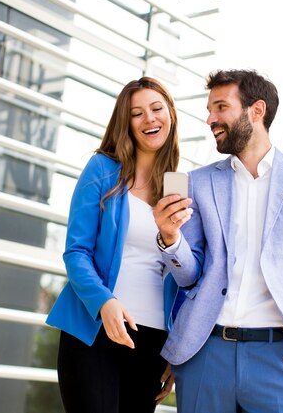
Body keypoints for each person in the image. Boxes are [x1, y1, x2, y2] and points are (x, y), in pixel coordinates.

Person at [153, 69, 283, 413]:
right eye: (209, 109)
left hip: (282, 359)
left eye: (220, 107)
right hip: (206, 354)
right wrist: (170, 239)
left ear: (256, 111)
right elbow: (189, 276)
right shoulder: (198, 182)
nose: (211, 118)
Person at [46, 76, 182, 413]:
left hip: (152, 341)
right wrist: (105, 303)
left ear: (170, 116)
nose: (149, 118)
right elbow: (76, 252)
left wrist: (175, 349)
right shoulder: (102, 170)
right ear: (127, 124)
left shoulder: (179, 189)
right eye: (137, 113)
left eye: (156, 109)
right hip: (95, 330)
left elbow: (184, 275)